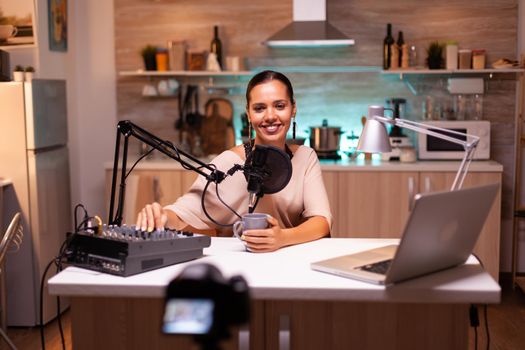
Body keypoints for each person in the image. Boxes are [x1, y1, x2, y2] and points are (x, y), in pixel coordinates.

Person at [136, 70, 332, 252]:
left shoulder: (305, 157)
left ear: (293, 109)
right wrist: (161, 216)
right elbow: (181, 213)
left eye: (279, 106)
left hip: (290, 261)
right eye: (259, 108)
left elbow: (321, 221)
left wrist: (282, 237)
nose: (270, 116)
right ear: (248, 114)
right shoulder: (229, 162)